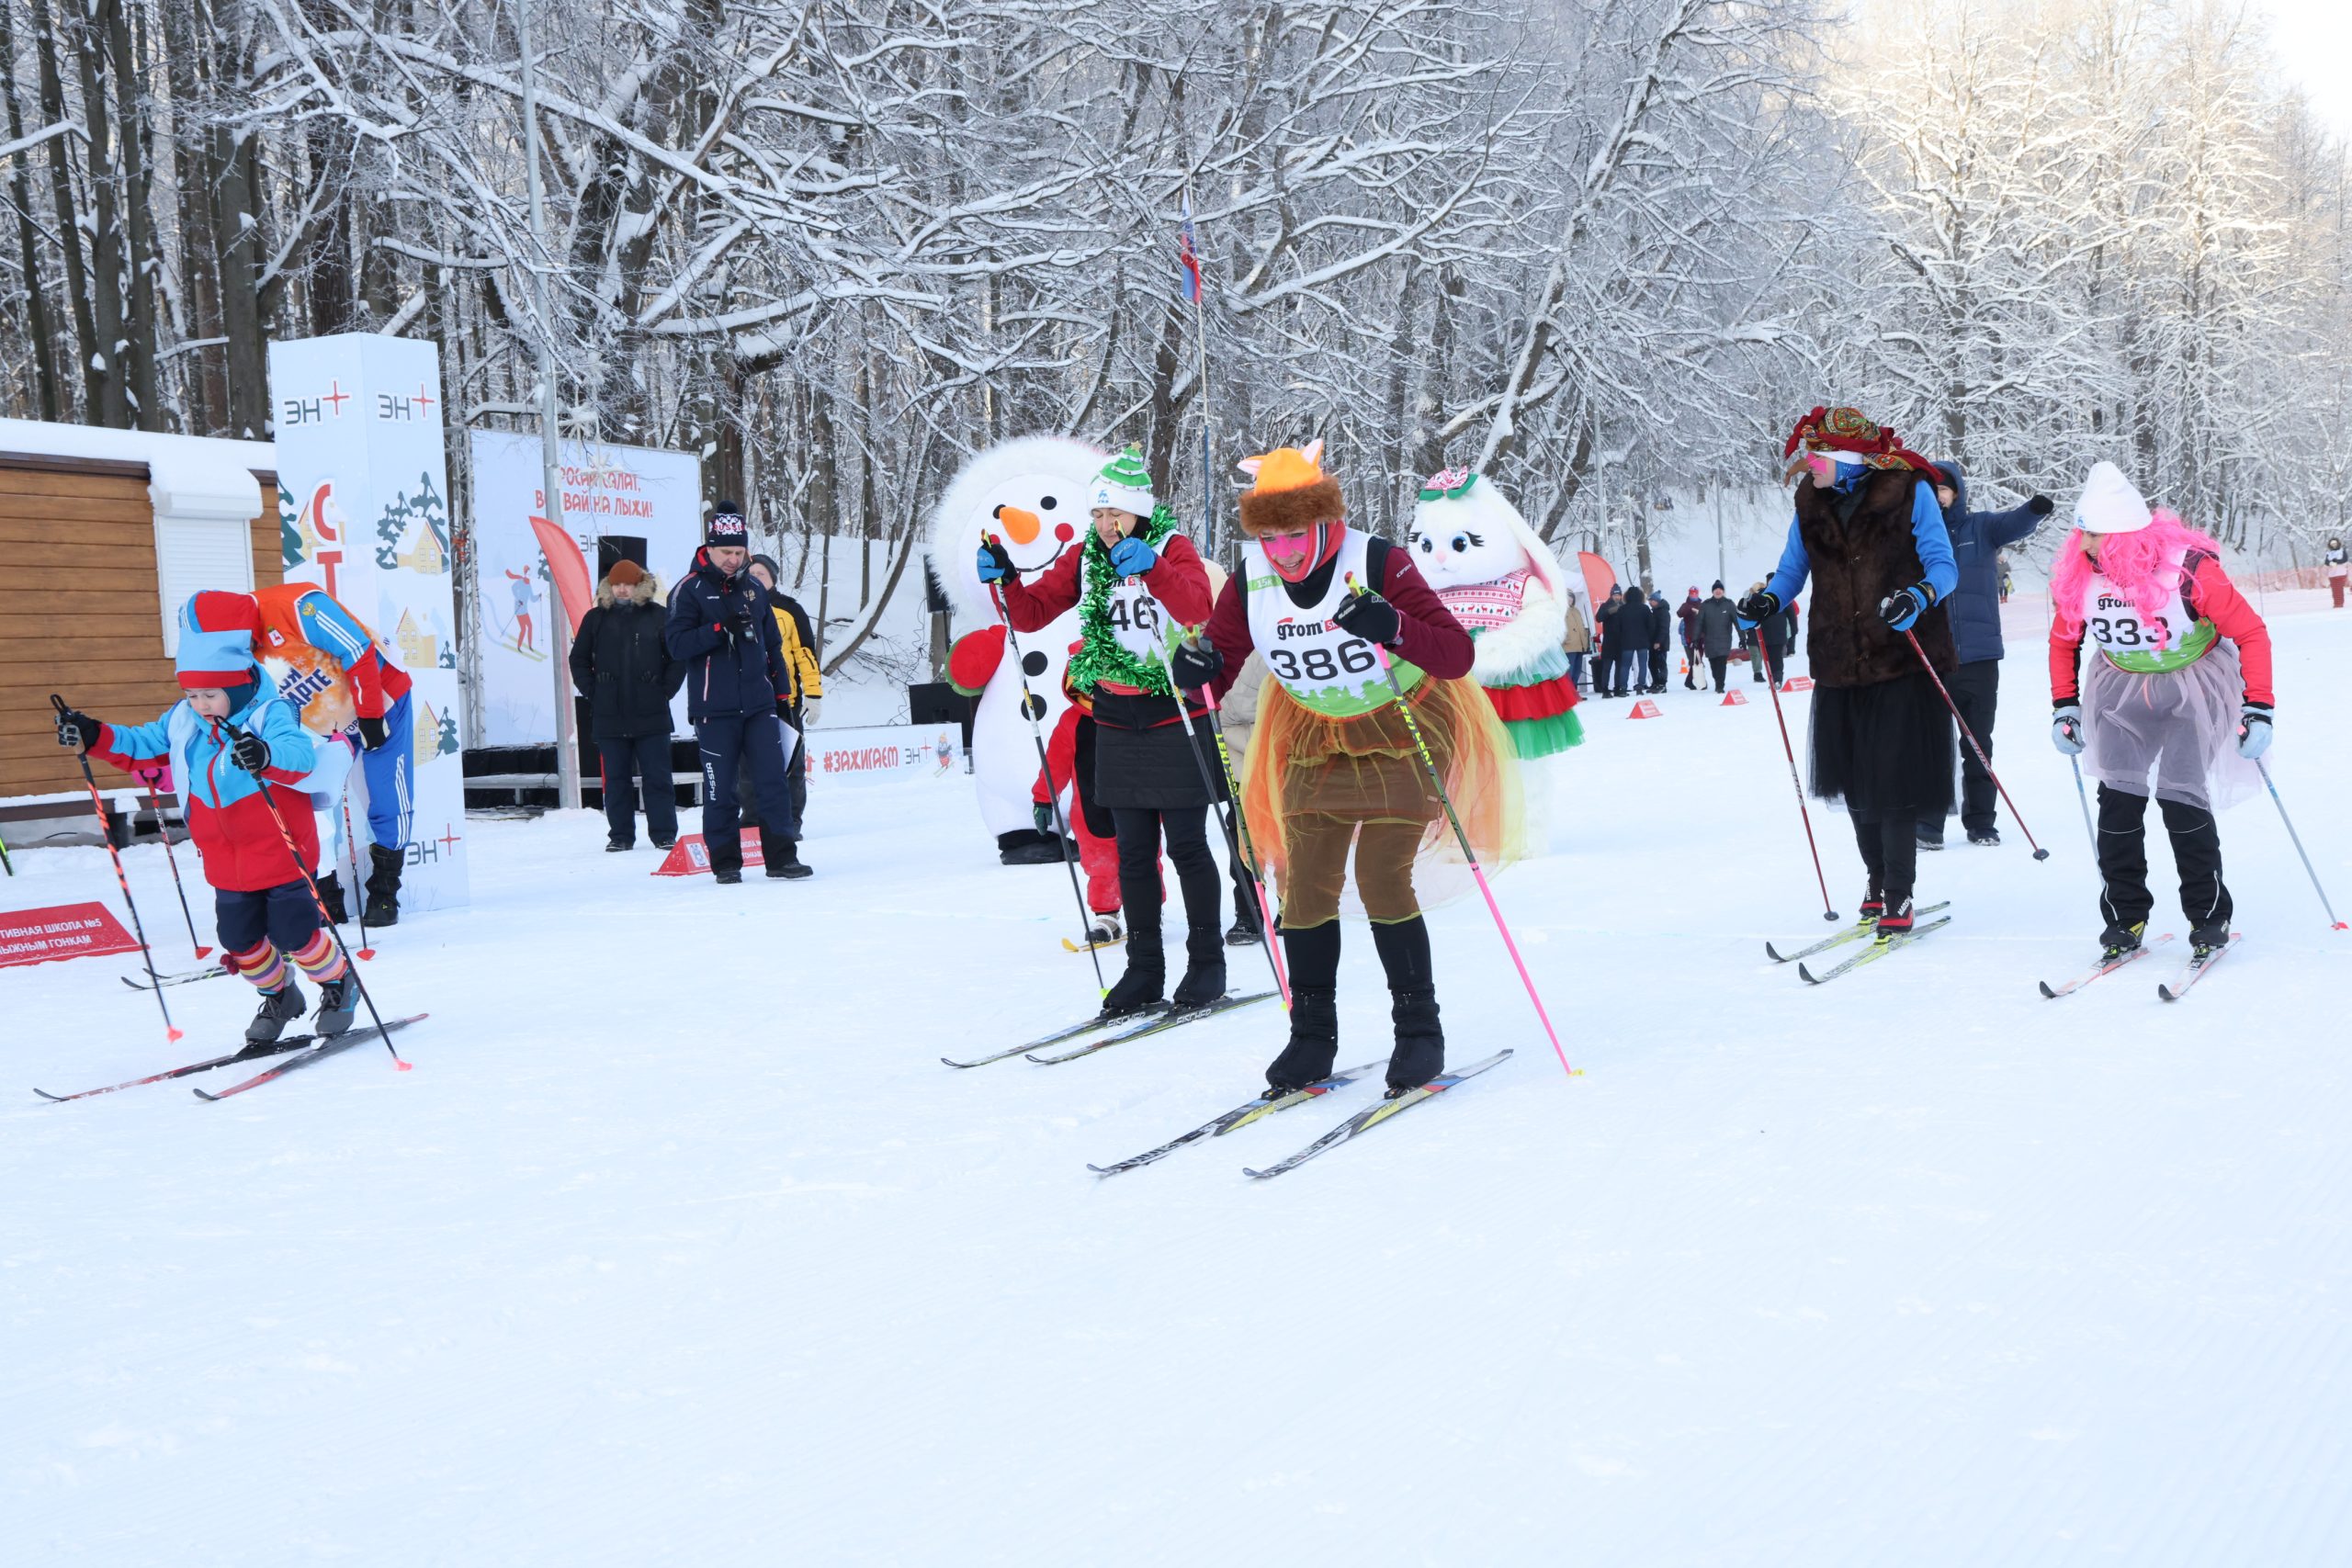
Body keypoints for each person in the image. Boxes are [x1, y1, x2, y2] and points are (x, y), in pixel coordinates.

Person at [1170, 440, 1521, 1096]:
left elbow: (1453, 655)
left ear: (1326, 520)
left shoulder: (1378, 561)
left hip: (1401, 723)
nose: (1285, 551)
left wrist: (1392, 625)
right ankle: (1311, 1037)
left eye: (1296, 534)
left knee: (1382, 876)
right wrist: (1198, 670)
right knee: (1303, 887)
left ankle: (1419, 1032)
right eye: (1269, 537)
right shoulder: (1254, 576)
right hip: (1311, 732)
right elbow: (1218, 656)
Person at [55, 593, 357, 1042]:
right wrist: (93, 734)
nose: (199, 704)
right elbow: (141, 746)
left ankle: (337, 984)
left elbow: (299, 757)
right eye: (191, 693)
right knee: (239, 940)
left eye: (210, 694)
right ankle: (281, 996)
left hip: (281, 849)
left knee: (296, 934)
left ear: (236, 688)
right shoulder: (184, 720)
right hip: (224, 859)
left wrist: (266, 754)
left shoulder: (270, 713)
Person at [989, 444, 1223, 1015]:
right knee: (1133, 852)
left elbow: (1198, 605)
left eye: (1112, 513)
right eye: (1096, 515)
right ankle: (1144, 970)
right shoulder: (1085, 554)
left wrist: (1153, 567)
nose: (1104, 525)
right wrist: (1009, 581)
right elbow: (1032, 613)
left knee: (1187, 846)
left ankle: (1207, 963)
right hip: (1115, 715)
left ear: (1138, 511)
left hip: (1172, 710)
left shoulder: (1172, 545)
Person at [1740, 406, 1957, 937]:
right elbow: (1793, 569)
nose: (1806, 466)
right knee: (1856, 783)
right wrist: (1769, 601)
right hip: (1839, 659)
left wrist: (1918, 595)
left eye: (1815, 456)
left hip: (1899, 657)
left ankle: (1900, 891)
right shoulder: (1810, 503)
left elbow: (1943, 566)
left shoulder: (1910, 492)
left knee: (1893, 780)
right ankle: (1876, 880)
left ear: (1844, 459)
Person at [2051, 464, 2271, 962]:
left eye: (2095, 534)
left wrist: (2259, 707)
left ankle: (2208, 917)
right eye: (2081, 531)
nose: (2083, 543)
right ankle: (2125, 917)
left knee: (2181, 798)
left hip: (2195, 688)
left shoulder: (2188, 570)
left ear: (2126, 535)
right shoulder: (2080, 575)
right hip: (2120, 692)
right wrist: (2064, 705)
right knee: (2119, 803)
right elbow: (2063, 640)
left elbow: (2251, 632)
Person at [247, 581, 416, 926]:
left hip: (379, 700)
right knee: (313, 803)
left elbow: (357, 648)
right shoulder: (231, 655)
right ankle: (326, 895)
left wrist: (370, 716)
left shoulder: (295, 605)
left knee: (387, 790)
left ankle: (385, 893)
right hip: (324, 720)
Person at [1916, 461, 2052, 852]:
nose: (1937, 495)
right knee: (1930, 742)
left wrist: (2035, 509)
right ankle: (1929, 822)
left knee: (1978, 742)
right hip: (1932, 657)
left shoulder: (1980, 528)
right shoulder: (1914, 536)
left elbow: (2014, 524)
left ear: (1956, 491)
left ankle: (1980, 822)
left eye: (1942, 488)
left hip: (1979, 655)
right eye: (1929, 489)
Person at [665, 501, 803, 884]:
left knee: (773, 782)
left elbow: (773, 647)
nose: (732, 559)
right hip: (714, 709)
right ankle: (725, 863)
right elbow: (675, 646)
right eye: (726, 551)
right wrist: (717, 630)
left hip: (759, 706)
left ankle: (782, 858)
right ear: (709, 548)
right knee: (720, 790)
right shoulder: (687, 591)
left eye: (739, 551)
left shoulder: (755, 589)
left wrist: (783, 698)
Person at [570, 558, 684, 852]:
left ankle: (664, 834)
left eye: (628, 585)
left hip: (652, 714)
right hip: (610, 715)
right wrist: (594, 691)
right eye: (616, 584)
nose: (622, 590)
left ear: (638, 585)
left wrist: (664, 691)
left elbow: (677, 658)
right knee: (616, 780)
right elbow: (578, 660)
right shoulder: (595, 618)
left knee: (657, 778)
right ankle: (620, 835)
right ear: (609, 586)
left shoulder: (659, 616)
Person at [748, 552, 824, 863]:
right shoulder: (738, 605)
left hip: (787, 702)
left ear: (773, 579)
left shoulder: (790, 609)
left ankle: (792, 821)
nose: (756, 579)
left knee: (791, 766)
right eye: (751, 573)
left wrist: (814, 694)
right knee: (748, 768)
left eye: (761, 574)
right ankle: (752, 822)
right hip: (751, 702)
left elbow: (805, 654)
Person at [1216, 652, 1270, 945]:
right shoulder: (1209, 637)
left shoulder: (1273, 627)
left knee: (1291, 830)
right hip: (1230, 740)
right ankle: (1248, 913)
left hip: (1280, 737)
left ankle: (1293, 905)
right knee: (1242, 831)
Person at [1697, 581, 1740, 692]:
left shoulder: (1729, 604)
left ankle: (1720, 685)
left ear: (1723, 591)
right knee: (1713, 664)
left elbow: (1737, 622)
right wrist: (1695, 638)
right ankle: (1718, 681)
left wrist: (1743, 637)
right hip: (1709, 640)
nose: (1718, 591)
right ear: (1713, 591)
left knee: (1722, 663)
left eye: (1720, 589)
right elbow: (1699, 623)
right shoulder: (1705, 605)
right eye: (1716, 589)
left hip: (1724, 640)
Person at [1593, 584, 1628, 696]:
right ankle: (1605, 690)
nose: (1617, 597)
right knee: (1607, 667)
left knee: (1619, 667)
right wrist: (1610, 611)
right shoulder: (1605, 605)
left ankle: (1617, 688)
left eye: (1619, 595)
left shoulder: (1624, 606)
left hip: (1621, 642)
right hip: (1609, 641)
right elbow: (1598, 618)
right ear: (1611, 595)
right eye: (1615, 595)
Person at [1560, 589, 1591, 691]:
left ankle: (1574, 692)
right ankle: (1568, 693)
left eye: (1571, 598)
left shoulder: (1576, 611)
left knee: (1577, 670)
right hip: (1569, 646)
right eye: (1568, 598)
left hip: (1579, 645)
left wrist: (1585, 639)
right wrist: (1566, 639)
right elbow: (1559, 628)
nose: (1570, 600)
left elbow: (1581, 626)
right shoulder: (1561, 611)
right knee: (1570, 671)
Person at [1645, 584, 1672, 694]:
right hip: (1653, 642)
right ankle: (1655, 682)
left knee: (1661, 663)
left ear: (1657, 601)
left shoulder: (1663, 612)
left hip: (1660, 643)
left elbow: (1664, 629)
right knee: (1652, 663)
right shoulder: (1655, 611)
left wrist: (1658, 642)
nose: (1650, 602)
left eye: (1652, 600)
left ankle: (1662, 684)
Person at [1677, 587, 1702, 689]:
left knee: (1698, 661)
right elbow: (1679, 613)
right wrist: (1690, 609)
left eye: (1695, 594)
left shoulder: (1702, 605)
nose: (1694, 595)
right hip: (1689, 638)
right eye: (1692, 594)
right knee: (1694, 661)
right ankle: (1692, 681)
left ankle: (1692, 681)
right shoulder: (1686, 605)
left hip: (1701, 637)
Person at [2327, 536, 2347, 609]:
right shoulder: (2329, 553)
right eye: (2332, 544)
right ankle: (2336, 603)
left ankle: (2340, 603)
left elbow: (2345, 559)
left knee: (2339, 589)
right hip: (2332, 574)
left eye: (2335, 543)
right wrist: (2330, 563)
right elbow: (2326, 561)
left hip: (2341, 573)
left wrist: (2337, 561)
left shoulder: (2342, 551)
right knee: (2334, 590)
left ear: (2338, 543)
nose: (2334, 545)